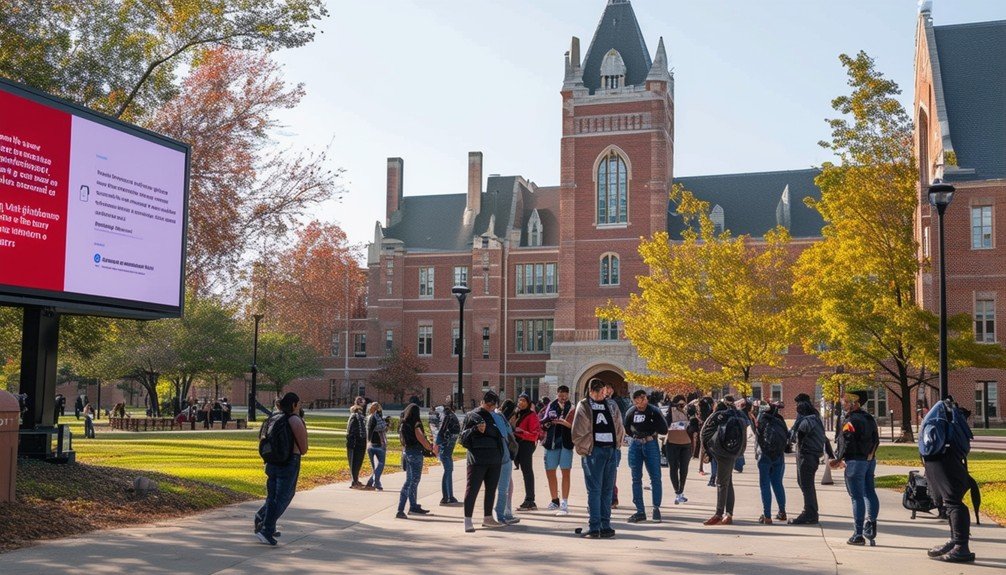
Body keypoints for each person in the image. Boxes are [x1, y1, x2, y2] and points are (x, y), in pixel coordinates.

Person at [921, 398, 975, 563]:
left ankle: (961, 547)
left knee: (953, 503)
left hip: (945, 461)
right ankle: (955, 542)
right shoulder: (947, 415)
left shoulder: (942, 416)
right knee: (950, 502)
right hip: (945, 460)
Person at [572, 378, 625, 538]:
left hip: (610, 450)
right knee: (595, 490)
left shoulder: (611, 404)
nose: (602, 394)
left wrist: (618, 444)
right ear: (590, 391)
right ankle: (594, 526)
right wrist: (585, 449)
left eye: (603, 391)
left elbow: (618, 425)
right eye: (598, 391)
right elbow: (578, 430)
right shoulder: (584, 405)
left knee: (607, 490)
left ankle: (605, 525)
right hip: (593, 451)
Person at [255, 392, 308, 545]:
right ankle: (266, 528)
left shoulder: (275, 418)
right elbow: (303, 449)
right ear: (294, 404)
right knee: (284, 497)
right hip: (290, 462)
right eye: (299, 404)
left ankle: (264, 521)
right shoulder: (295, 420)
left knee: (272, 497)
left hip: (272, 461)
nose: (300, 406)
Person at [831, 389, 880, 546]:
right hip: (869, 461)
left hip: (855, 462)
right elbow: (876, 440)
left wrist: (838, 459)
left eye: (845, 402)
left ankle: (858, 534)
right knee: (869, 492)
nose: (843, 404)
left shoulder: (850, 420)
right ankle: (870, 525)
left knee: (857, 497)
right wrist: (870, 456)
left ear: (853, 403)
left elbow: (846, 441)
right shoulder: (869, 418)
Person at [460, 391, 506, 532]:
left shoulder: (495, 416)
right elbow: (462, 438)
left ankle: (488, 517)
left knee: (491, 489)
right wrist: (475, 429)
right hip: (477, 459)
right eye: (488, 404)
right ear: (483, 402)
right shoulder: (471, 416)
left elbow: (502, 435)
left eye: (492, 405)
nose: (490, 407)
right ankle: (468, 519)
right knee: (472, 489)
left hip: (494, 459)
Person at [788, 393, 834, 524]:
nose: (796, 407)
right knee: (806, 484)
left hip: (807, 456)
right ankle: (811, 511)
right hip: (811, 455)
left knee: (806, 485)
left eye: (798, 405)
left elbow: (795, 436)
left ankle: (809, 513)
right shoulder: (815, 418)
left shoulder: (807, 421)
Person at [624, 389, 668, 523]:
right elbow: (627, 428)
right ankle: (640, 510)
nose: (640, 401)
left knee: (655, 477)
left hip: (650, 443)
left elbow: (664, 429)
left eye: (642, 398)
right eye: (637, 399)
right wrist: (636, 436)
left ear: (646, 399)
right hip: (636, 444)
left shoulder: (654, 411)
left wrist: (653, 425)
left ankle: (656, 508)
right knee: (636, 478)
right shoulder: (631, 412)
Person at [700, 396, 746, 526]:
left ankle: (719, 514)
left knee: (721, 483)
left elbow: (704, 432)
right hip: (734, 451)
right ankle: (729, 514)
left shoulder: (718, 415)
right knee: (727, 482)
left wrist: (708, 451)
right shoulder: (738, 415)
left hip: (721, 452)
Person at [396, 403, 438, 519]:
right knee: (412, 481)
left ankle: (413, 506)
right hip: (415, 453)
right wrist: (431, 448)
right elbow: (421, 439)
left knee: (410, 480)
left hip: (406, 452)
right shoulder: (415, 424)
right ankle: (401, 509)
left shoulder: (403, 424)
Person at [541, 385, 575, 515]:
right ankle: (554, 499)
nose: (563, 398)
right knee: (550, 471)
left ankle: (564, 501)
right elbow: (543, 423)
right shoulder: (550, 406)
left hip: (566, 443)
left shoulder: (572, 407)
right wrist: (549, 422)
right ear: (557, 394)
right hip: (552, 443)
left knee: (566, 472)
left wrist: (565, 423)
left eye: (565, 395)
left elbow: (576, 425)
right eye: (560, 396)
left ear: (568, 395)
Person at [755, 401, 788, 524]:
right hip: (778, 456)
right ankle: (782, 512)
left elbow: (757, 436)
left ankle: (767, 516)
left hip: (764, 456)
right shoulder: (780, 420)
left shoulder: (761, 419)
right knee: (778, 483)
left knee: (765, 485)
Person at [512, 394, 541, 511]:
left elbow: (535, 434)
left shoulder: (531, 415)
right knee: (526, 472)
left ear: (528, 403)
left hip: (526, 444)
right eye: (519, 400)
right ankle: (529, 500)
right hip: (518, 443)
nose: (521, 403)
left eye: (524, 401)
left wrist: (521, 432)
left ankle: (530, 500)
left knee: (527, 471)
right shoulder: (517, 414)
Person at [493, 399, 520, 525]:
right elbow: (507, 434)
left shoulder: (496, 416)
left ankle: (505, 512)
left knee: (507, 486)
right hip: (503, 456)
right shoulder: (500, 418)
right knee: (505, 487)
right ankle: (502, 513)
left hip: (500, 456)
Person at [664, 394, 692, 505]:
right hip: (672, 443)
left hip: (686, 444)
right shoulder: (671, 412)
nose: (682, 406)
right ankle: (677, 492)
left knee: (684, 469)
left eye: (684, 404)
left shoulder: (688, 411)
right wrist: (673, 410)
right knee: (673, 468)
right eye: (680, 404)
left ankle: (681, 491)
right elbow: (666, 425)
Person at [435, 399, 462, 505]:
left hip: (446, 449)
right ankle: (446, 497)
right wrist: (436, 445)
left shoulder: (447, 416)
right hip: (445, 448)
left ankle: (449, 496)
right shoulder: (448, 416)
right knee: (448, 470)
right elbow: (441, 431)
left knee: (449, 471)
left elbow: (442, 430)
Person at [364, 402, 387, 491]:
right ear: (378, 408)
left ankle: (372, 482)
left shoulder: (367, 417)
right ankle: (376, 482)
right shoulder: (376, 417)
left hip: (369, 444)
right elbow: (381, 427)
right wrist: (386, 423)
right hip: (378, 444)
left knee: (375, 467)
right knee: (380, 464)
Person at [346, 404, 367, 489]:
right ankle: (355, 480)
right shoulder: (360, 417)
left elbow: (350, 431)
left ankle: (355, 480)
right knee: (357, 463)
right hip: (360, 442)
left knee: (353, 462)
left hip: (354, 443)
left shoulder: (354, 417)